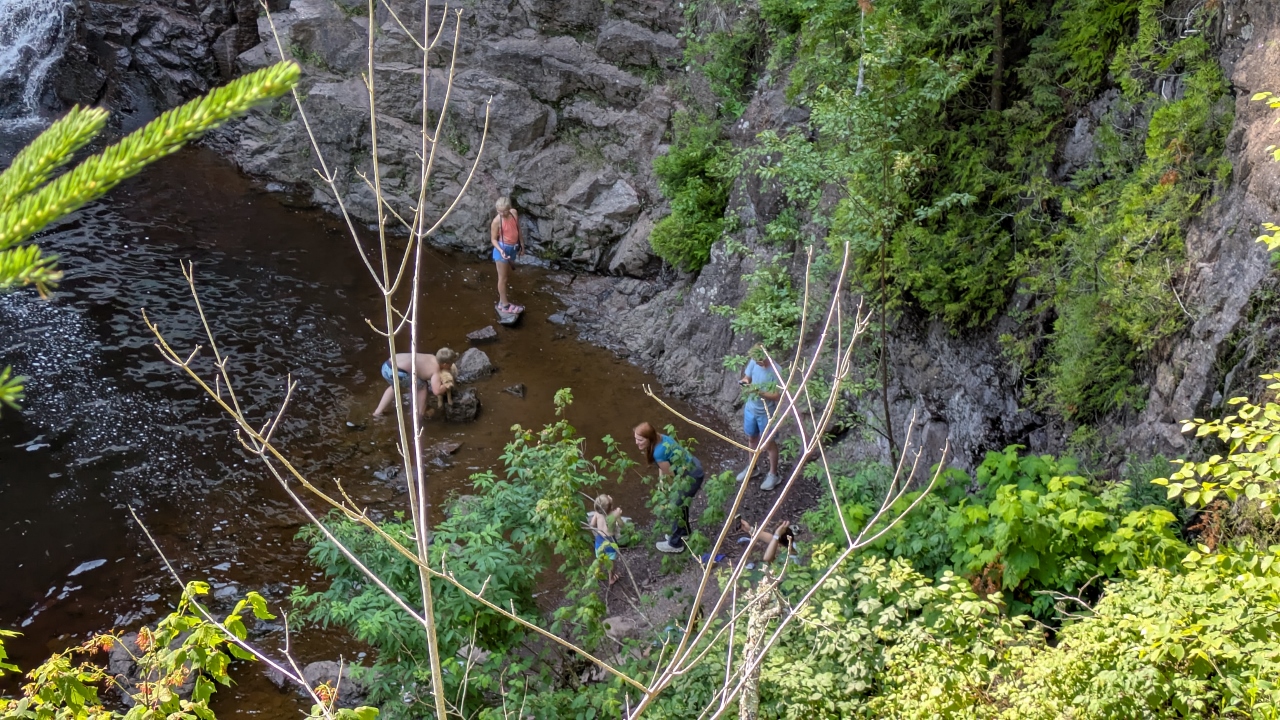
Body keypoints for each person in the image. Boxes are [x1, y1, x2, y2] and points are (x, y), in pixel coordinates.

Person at [634, 422, 706, 554]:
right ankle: (684, 533)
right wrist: (661, 482)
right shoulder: (660, 438)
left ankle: (675, 544)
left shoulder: (658, 452)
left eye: (640, 440)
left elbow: (672, 477)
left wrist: (668, 494)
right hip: (693, 466)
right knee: (681, 504)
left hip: (691, 475)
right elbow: (664, 467)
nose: (636, 443)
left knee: (676, 506)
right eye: (635, 439)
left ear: (649, 438)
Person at [738, 345, 782, 490]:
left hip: (766, 412)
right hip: (751, 408)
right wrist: (745, 382)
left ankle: (773, 475)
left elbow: (777, 395)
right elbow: (747, 377)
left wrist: (758, 392)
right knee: (752, 438)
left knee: (768, 444)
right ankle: (752, 468)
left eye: (760, 360)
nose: (758, 363)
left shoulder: (776, 370)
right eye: (756, 360)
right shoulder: (754, 361)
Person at [372, 348, 457, 419]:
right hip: (398, 372)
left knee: (395, 386)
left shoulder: (431, 357)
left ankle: (378, 412)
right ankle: (419, 415)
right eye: (451, 364)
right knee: (423, 385)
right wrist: (447, 384)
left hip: (387, 366)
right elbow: (437, 391)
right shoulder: (436, 369)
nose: (451, 366)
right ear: (445, 364)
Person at [490, 197, 524, 314]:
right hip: (502, 249)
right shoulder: (496, 221)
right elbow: (493, 239)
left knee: (506, 277)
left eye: (504, 211)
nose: (501, 213)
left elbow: (518, 229)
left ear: (509, 209)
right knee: (502, 278)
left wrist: (522, 244)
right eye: (499, 211)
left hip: (513, 248)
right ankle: (504, 306)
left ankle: (501, 301)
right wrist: (501, 250)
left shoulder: (514, 213)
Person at [589, 494, 623, 585]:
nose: (609, 496)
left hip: (599, 540)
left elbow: (592, 525)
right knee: (611, 562)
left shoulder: (597, 513)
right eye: (608, 497)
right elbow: (622, 525)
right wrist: (618, 515)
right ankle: (611, 579)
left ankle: (595, 575)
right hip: (610, 542)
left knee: (599, 560)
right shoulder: (614, 515)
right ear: (610, 506)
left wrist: (598, 530)